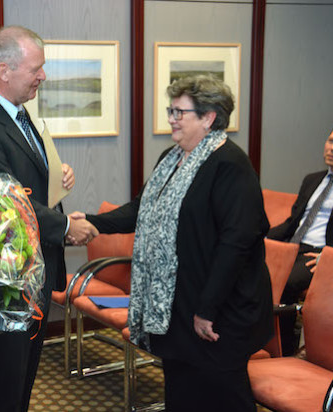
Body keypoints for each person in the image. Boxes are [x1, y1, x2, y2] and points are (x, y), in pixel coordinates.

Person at [71, 75, 273, 411]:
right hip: (175, 302)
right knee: (182, 389)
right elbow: (142, 209)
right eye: (171, 110)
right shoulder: (172, 157)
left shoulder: (231, 165)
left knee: (224, 394)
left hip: (219, 308)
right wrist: (92, 222)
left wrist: (208, 309)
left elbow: (236, 244)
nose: (171, 119)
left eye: (180, 112)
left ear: (209, 117)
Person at [0, 25, 98, 411]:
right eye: (36, 68)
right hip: (5, 283)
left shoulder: (17, 114)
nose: (43, 76)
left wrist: (56, 171)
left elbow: (22, 179)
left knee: (21, 380)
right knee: (3, 383)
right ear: (4, 70)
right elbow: (6, 204)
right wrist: (66, 227)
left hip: (30, 274)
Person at [268, 121, 333, 355]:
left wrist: (332, 257)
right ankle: (256, 341)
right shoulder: (312, 179)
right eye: (331, 141)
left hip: (321, 255)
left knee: (285, 283)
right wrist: (257, 238)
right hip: (293, 246)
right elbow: (292, 223)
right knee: (247, 268)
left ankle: (284, 350)